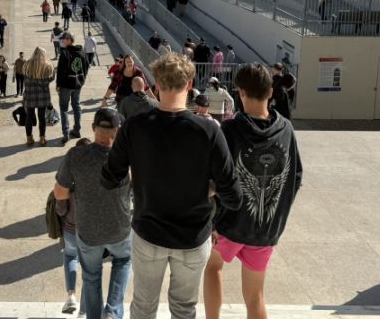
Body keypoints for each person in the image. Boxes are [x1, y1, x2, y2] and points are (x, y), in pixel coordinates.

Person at [102, 52, 242, 319]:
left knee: (143, 308)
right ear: (189, 84)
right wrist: (208, 189)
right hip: (192, 238)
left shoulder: (135, 127)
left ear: (156, 84)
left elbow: (109, 178)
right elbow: (233, 196)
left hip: (148, 233)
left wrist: (139, 174)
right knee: (184, 309)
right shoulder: (209, 130)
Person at [203, 63, 302, 319]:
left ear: (240, 92)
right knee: (256, 296)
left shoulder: (230, 130)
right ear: (270, 92)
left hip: (229, 224)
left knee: (213, 268)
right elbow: (296, 176)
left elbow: (216, 179)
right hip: (266, 228)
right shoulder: (286, 129)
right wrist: (276, 216)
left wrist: (212, 218)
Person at [55, 109, 132, 319]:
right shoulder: (128, 157)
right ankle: (112, 311)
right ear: (118, 131)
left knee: (91, 277)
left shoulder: (76, 155)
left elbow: (60, 193)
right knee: (123, 260)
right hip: (119, 228)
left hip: (88, 230)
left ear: (93, 128)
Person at [54, 138, 91, 316]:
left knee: (70, 256)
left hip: (70, 228)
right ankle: (84, 310)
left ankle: (71, 296)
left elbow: (61, 209)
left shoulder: (69, 176)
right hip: (91, 231)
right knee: (91, 270)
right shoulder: (97, 176)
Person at [56, 31, 90, 143]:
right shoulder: (82, 52)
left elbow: (60, 71)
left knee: (64, 109)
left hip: (66, 86)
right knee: (76, 106)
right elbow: (86, 67)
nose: (62, 41)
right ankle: (77, 130)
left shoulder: (65, 53)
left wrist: (58, 85)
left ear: (70, 40)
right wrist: (82, 79)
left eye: (64, 39)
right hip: (77, 85)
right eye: (62, 39)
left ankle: (66, 133)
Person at [23, 47, 55, 147]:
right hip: (43, 95)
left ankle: (29, 138)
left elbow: (24, 76)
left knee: (29, 117)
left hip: (30, 94)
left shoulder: (27, 64)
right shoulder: (48, 65)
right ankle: (42, 138)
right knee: (42, 118)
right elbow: (51, 78)